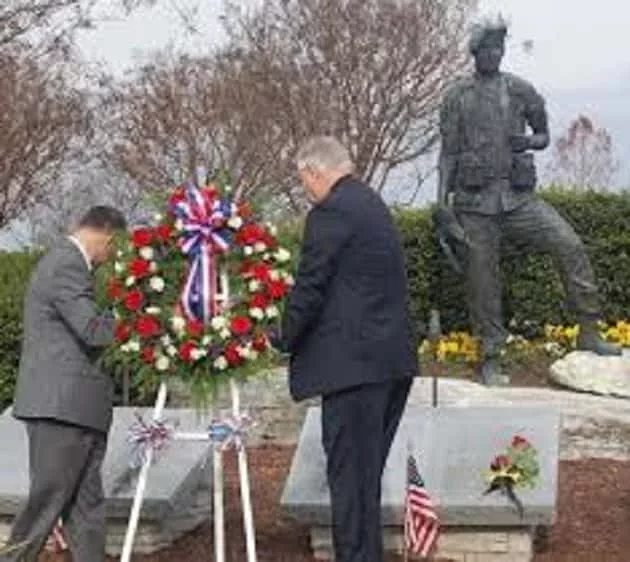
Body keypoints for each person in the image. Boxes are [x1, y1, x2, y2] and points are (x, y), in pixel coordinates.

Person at [437, 15, 620, 385]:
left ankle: (589, 330)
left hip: (518, 199)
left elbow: (544, 135)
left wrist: (529, 142)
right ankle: (490, 355)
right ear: (475, 53)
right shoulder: (457, 96)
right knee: (482, 282)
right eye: (487, 49)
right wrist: (442, 206)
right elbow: (449, 155)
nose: (494, 55)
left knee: (568, 243)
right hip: (474, 205)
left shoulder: (521, 90)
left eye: (499, 48)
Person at [278, 136, 418, 562]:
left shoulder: (332, 212)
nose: (307, 190)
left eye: (305, 181)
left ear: (315, 171)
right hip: (389, 363)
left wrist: (280, 336)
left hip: (355, 368)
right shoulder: (372, 204)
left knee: (350, 484)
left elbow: (311, 286)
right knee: (363, 481)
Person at [1, 206, 127, 562]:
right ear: (107, 235)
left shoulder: (68, 265)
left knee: (85, 507)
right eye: (115, 247)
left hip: (76, 408)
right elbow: (92, 330)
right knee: (47, 501)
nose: (112, 256)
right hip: (61, 408)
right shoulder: (66, 265)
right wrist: (135, 315)